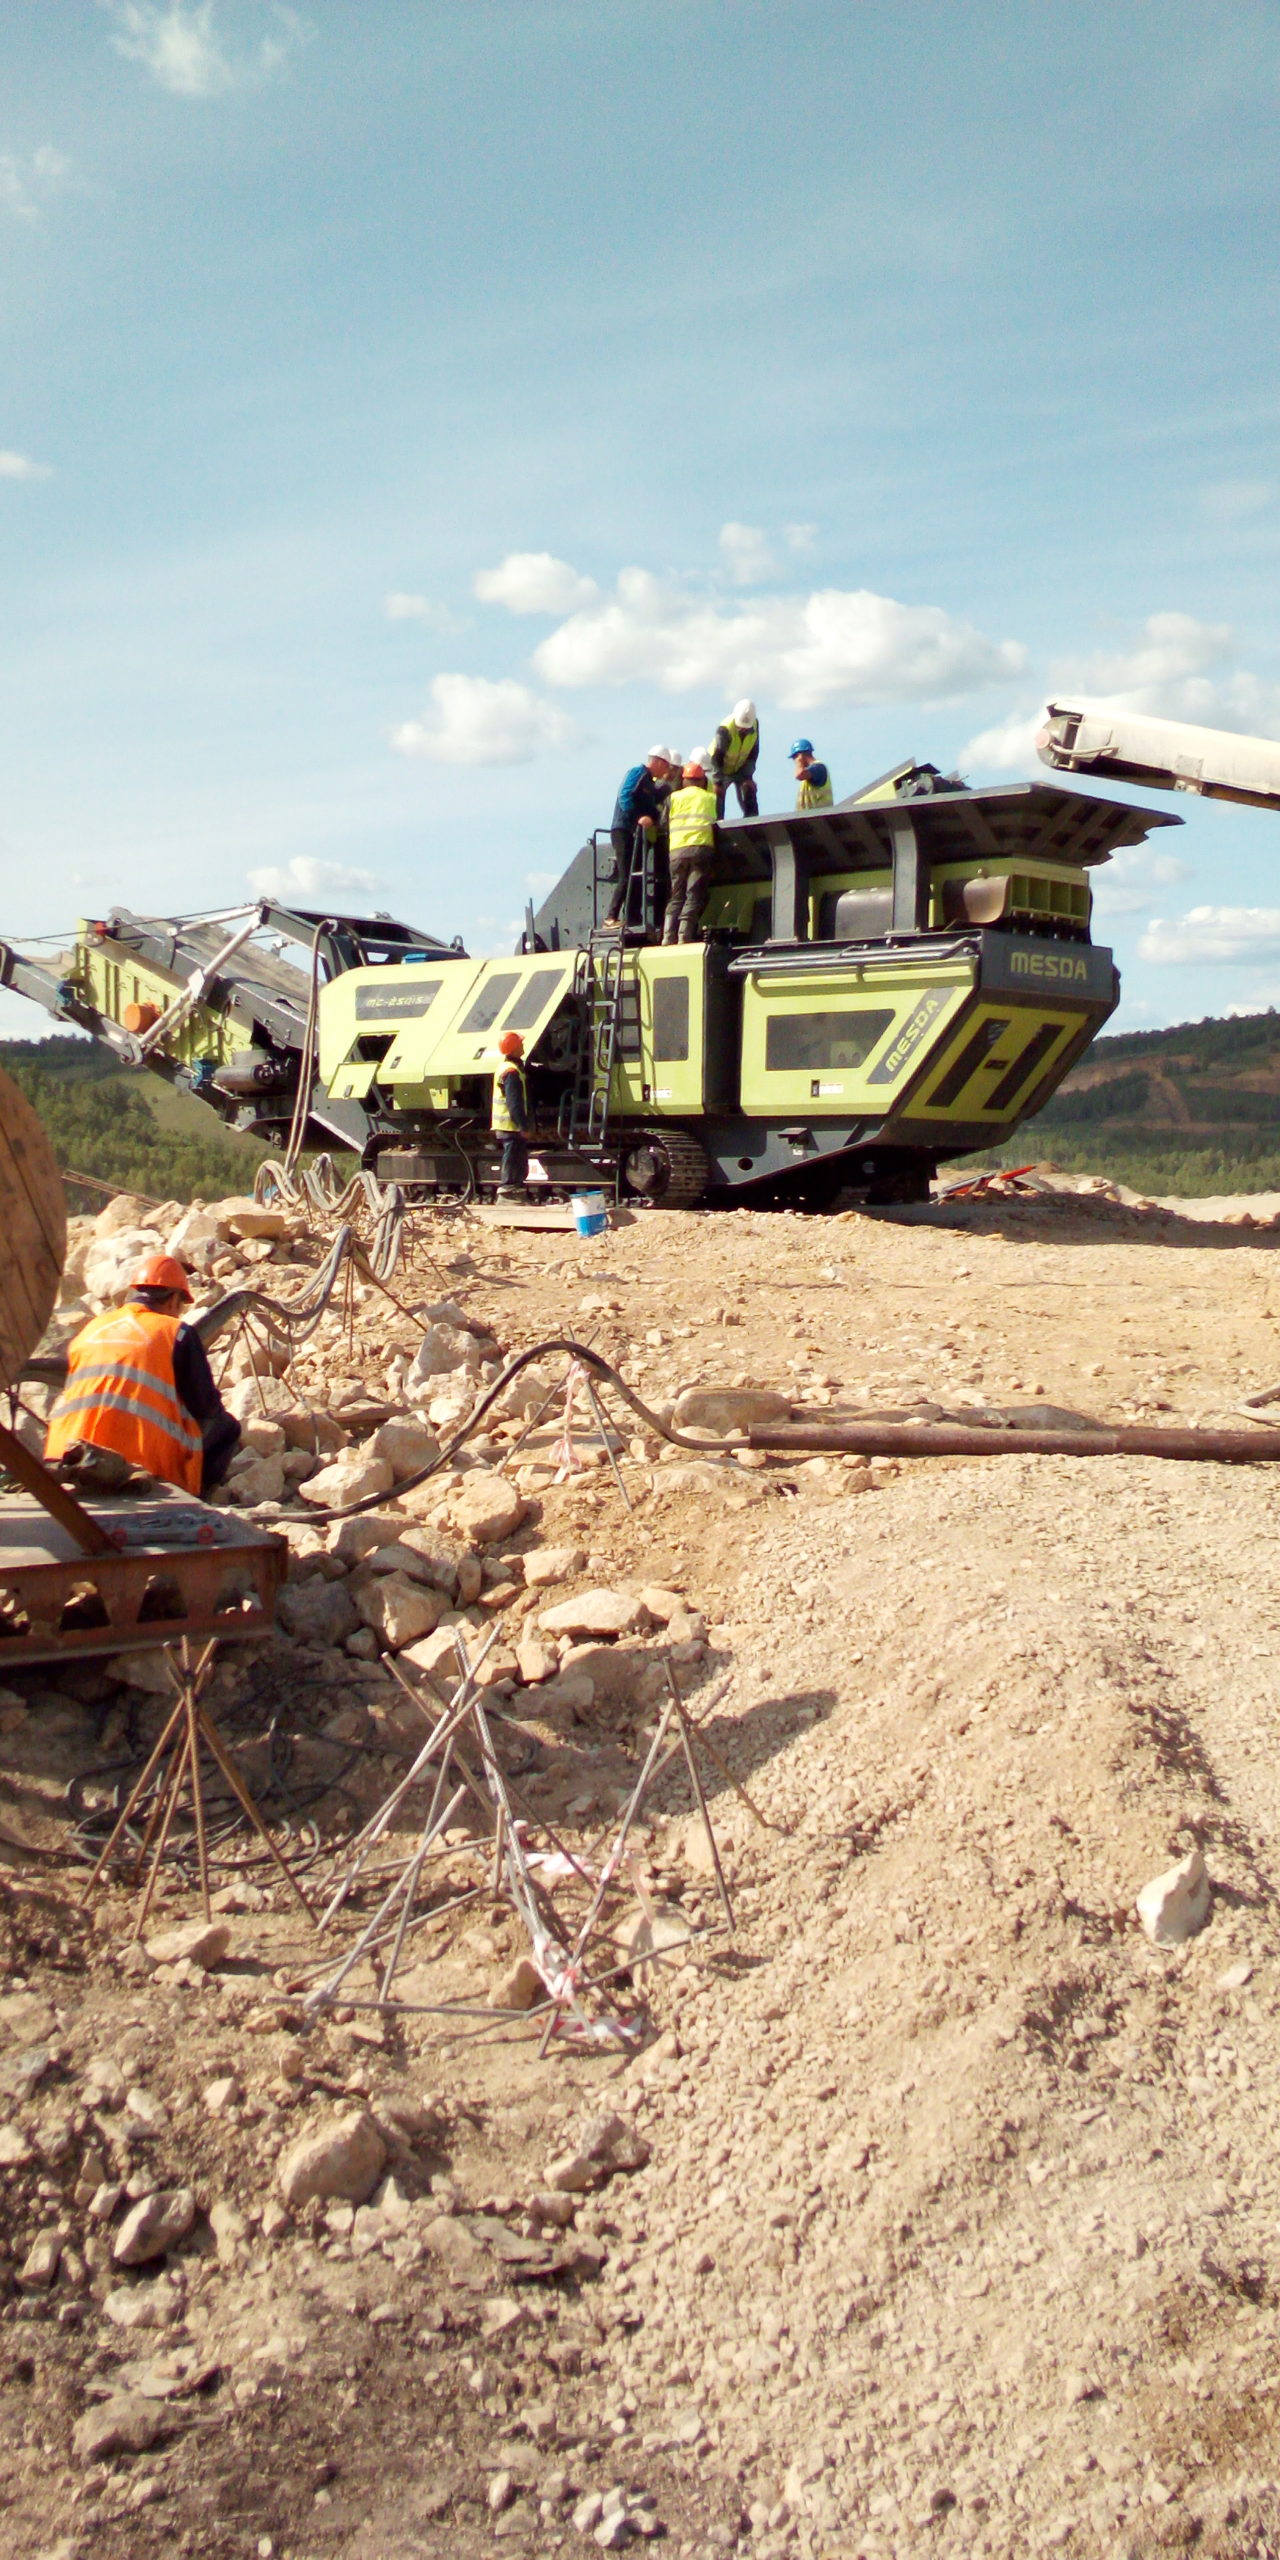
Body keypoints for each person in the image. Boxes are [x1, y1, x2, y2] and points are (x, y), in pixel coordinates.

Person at [45, 1254, 241, 1497]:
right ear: (172, 1300)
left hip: (65, 1456)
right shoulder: (176, 1333)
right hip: (136, 1462)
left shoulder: (91, 1329)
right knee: (227, 1427)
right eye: (180, 1306)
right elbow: (206, 1406)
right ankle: (195, 1496)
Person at [602, 748, 673, 928]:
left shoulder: (649, 783)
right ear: (658, 761)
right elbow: (625, 796)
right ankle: (610, 917)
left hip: (634, 833)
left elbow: (649, 807)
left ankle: (633, 917)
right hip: (623, 829)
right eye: (665, 765)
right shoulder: (637, 773)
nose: (666, 770)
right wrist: (637, 818)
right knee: (626, 875)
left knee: (636, 875)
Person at [662, 761, 719, 944]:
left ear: (684, 780)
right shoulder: (710, 798)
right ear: (702, 780)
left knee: (676, 895)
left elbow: (663, 824)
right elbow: (717, 823)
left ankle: (667, 936)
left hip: (677, 852)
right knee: (693, 894)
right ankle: (683, 936)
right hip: (701, 850)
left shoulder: (673, 798)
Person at [491, 1028, 533, 1197]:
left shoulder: (508, 1067)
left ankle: (514, 1190)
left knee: (516, 1159)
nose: (523, 1046)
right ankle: (508, 1189)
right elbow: (514, 1103)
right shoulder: (511, 1072)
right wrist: (523, 1126)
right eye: (520, 1044)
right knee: (513, 1159)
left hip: (509, 1125)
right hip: (510, 1125)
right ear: (514, 1048)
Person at [710, 698, 760, 819]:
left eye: (746, 728)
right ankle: (718, 824)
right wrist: (718, 782)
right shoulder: (725, 729)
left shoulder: (755, 724)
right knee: (718, 796)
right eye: (740, 727)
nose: (743, 730)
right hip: (720, 767)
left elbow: (753, 751)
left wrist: (748, 777)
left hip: (740, 767)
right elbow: (717, 757)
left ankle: (752, 822)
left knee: (749, 788)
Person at [790, 738, 834, 809]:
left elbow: (799, 775)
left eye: (794, 757)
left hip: (818, 817)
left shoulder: (818, 768)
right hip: (808, 817)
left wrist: (799, 761)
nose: (794, 761)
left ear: (799, 755)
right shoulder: (809, 774)